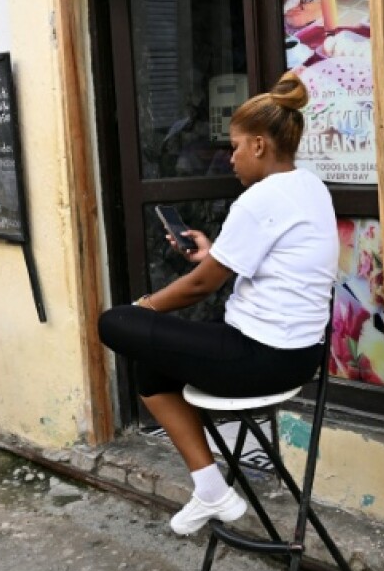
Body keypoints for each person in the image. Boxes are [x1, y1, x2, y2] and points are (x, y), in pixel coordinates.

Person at [98, 72, 337, 535]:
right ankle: (212, 491)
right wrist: (210, 255)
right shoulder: (309, 187)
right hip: (299, 355)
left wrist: (143, 308)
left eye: (236, 146)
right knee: (152, 363)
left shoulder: (261, 199)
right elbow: (247, 264)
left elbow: (199, 287)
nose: (231, 158)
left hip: (261, 358)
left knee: (115, 324)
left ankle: (212, 490)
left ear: (260, 146)